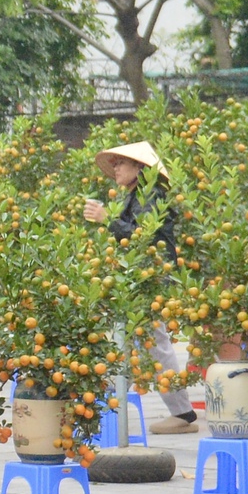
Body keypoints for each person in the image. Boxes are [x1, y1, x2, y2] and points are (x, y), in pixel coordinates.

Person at [82, 141, 197, 435]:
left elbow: (142, 236)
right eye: (116, 163)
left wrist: (106, 219)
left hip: (152, 277)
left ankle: (182, 413)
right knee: (133, 341)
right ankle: (106, 403)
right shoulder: (134, 197)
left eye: (122, 163)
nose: (116, 168)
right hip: (140, 277)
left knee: (153, 343)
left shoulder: (153, 194)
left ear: (139, 168)